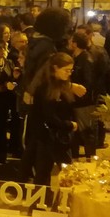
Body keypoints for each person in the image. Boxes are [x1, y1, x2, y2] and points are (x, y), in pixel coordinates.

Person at [18, 53, 80, 186]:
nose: (69, 74)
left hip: (59, 136)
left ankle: (59, 199)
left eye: (71, 70)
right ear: (55, 68)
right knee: (45, 171)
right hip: (48, 136)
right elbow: (48, 115)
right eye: (66, 70)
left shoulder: (62, 85)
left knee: (63, 170)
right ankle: (40, 201)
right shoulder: (45, 87)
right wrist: (69, 125)